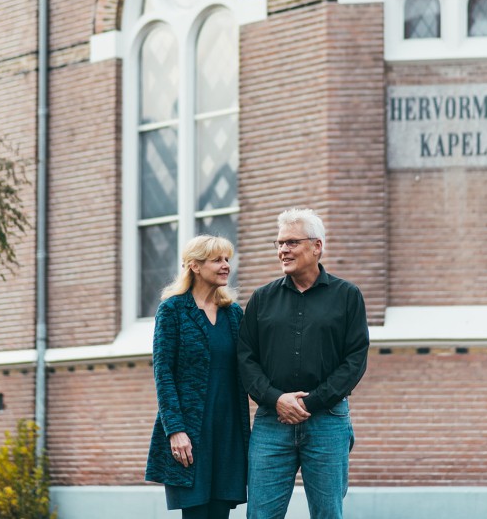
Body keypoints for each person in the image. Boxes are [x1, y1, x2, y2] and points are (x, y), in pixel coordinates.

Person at [237, 208, 369, 519]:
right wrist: (276, 399)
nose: (283, 250)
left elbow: (355, 360)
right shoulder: (262, 298)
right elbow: (245, 357)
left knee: (328, 514)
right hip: (272, 422)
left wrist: (311, 402)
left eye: (292, 242)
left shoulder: (347, 296)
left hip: (328, 421)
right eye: (280, 243)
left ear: (317, 246)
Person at [145, 235, 250, 519]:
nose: (226, 265)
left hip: (228, 431)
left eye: (227, 259)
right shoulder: (172, 310)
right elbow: (163, 373)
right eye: (217, 260)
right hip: (190, 433)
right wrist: (175, 430)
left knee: (220, 513)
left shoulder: (233, 313)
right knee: (196, 513)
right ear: (195, 266)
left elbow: (249, 365)